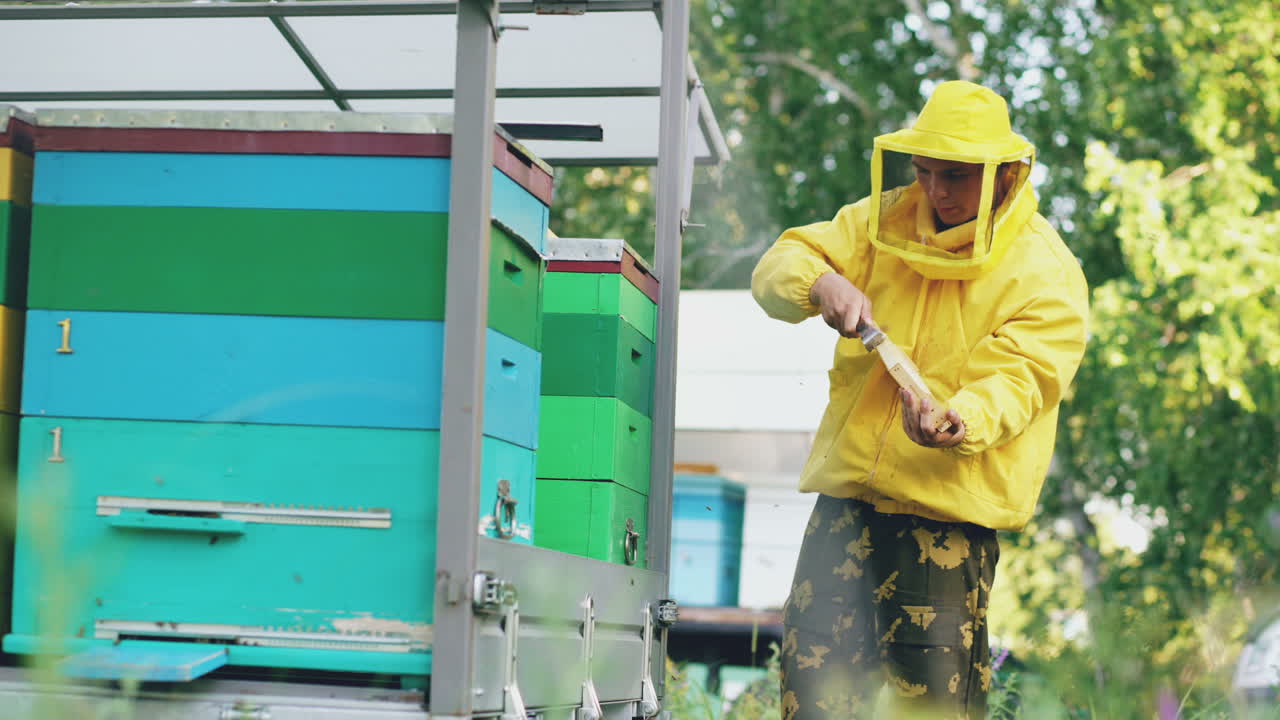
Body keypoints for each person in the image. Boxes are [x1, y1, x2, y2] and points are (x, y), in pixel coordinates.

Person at [751, 80, 1089, 719]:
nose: (935, 191)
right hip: (846, 506)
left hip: (947, 517)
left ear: (1007, 175)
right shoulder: (879, 222)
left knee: (931, 709)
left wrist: (961, 420)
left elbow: (1024, 376)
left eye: (955, 177)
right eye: (925, 171)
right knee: (811, 700)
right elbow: (778, 266)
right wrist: (819, 281)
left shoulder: (1046, 270)